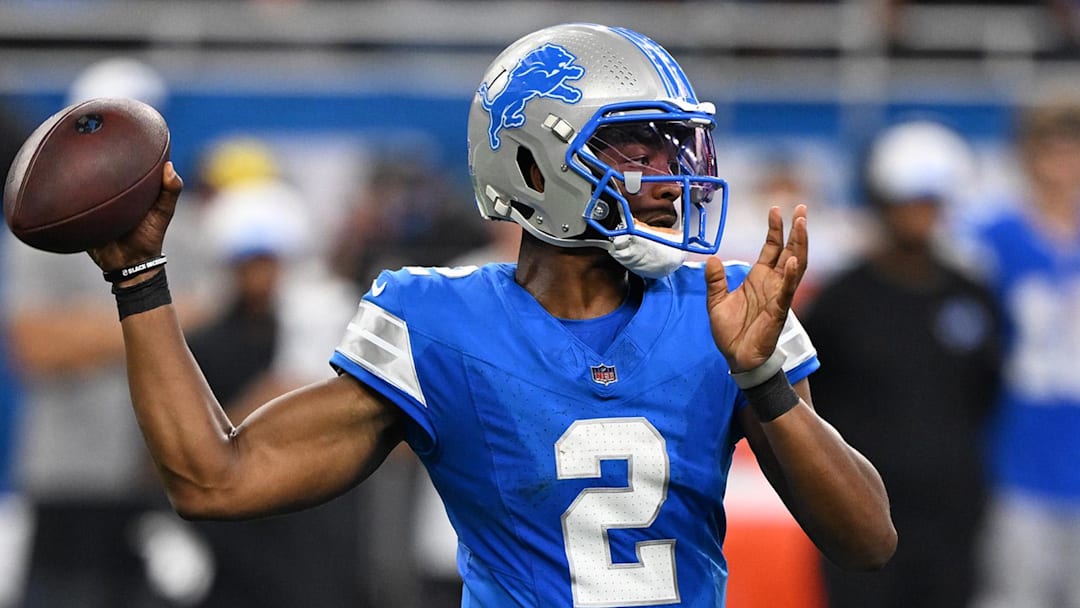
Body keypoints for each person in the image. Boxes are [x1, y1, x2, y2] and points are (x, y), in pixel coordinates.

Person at [76, 24, 895, 606]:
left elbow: (867, 540)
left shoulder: (724, 310)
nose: (666, 174)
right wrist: (139, 279)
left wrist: (763, 380)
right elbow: (214, 480)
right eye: (634, 145)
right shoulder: (441, 323)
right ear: (534, 164)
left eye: (675, 146)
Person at [802, 119, 1003, 608]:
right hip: (861, 518)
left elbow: (985, 394)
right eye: (909, 201)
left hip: (953, 517)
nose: (921, 215)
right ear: (881, 203)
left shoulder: (973, 295)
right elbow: (809, 407)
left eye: (931, 201)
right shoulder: (839, 301)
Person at [968, 91, 1080, 608]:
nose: (1064, 162)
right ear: (1025, 154)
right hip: (1015, 458)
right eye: (1052, 147)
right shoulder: (988, 239)